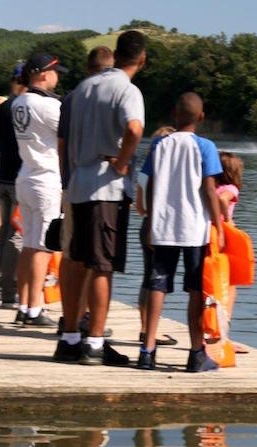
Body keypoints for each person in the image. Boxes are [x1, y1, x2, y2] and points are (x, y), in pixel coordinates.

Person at [62, 31, 146, 366]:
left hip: (78, 183)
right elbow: (135, 129)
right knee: (102, 265)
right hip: (105, 187)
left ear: (115, 52)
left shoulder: (83, 88)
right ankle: (95, 343)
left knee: (76, 261)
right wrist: (123, 163)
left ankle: (69, 338)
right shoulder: (127, 89)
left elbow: (64, 138)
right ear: (142, 59)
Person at [138, 92, 224, 371]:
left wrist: (151, 221)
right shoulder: (205, 146)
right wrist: (219, 225)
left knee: (157, 285)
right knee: (196, 291)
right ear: (201, 117)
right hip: (194, 230)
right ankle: (196, 353)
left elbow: (150, 184)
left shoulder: (160, 144)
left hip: (163, 226)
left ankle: (147, 351)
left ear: (175, 113)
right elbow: (209, 189)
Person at [54, 46, 115, 359]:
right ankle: (84, 324)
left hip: (71, 184)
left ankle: (71, 321)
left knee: (71, 255)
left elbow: (61, 143)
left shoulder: (71, 97)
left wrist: (65, 177)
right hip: (97, 187)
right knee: (95, 259)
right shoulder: (108, 96)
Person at [11, 53, 67, 326]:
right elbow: (70, 136)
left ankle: (23, 304)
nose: (58, 78)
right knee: (43, 247)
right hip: (46, 179)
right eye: (56, 73)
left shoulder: (19, 102)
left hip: (26, 175)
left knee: (30, 245)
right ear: (44, 74)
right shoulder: (48, 107)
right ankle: (35, 308)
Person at [135, 125, 177, 346]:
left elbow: (139, 207)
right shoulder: (165, 173)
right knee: (159, 281)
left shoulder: (143, 172)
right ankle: (151, 332)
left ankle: (144, 328)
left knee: (146, 279)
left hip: (145, 225)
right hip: (161, 228)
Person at [0, 63, 26, 308]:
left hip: (2, 177)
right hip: (18, 178)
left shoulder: (3, 107)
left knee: (5, 231)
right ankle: (7, 292)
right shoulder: (22, 108)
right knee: (15, 235)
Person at [215, 152, 248, 353]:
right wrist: (227, 221)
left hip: (206, 237)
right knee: (229, 286)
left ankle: (210, 335)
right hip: (223, 238)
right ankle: (223, 337)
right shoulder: (231, 188)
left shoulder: (211, 187)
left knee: (210, 286)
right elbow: (223, 200)